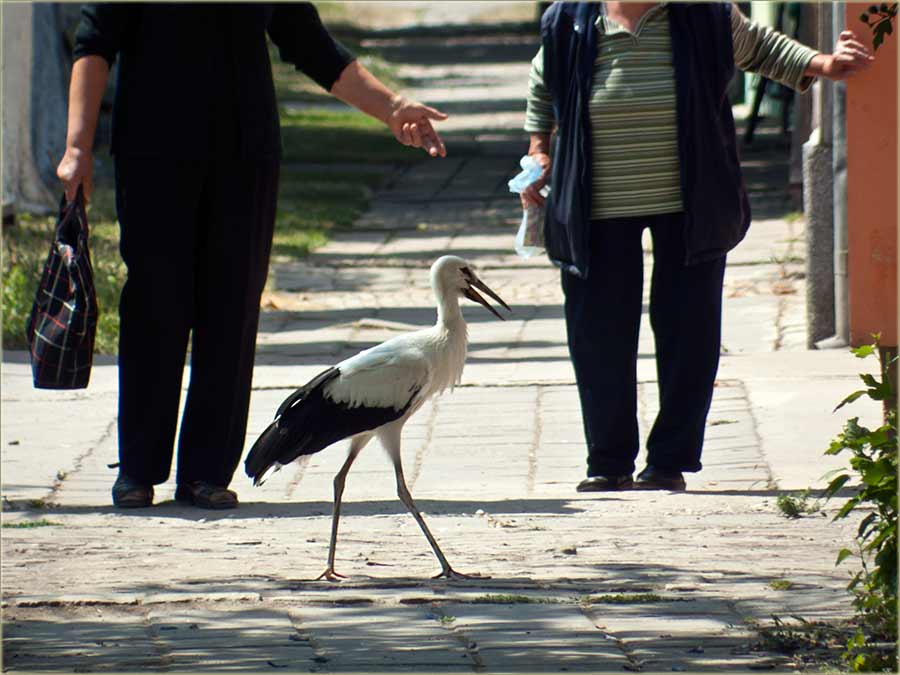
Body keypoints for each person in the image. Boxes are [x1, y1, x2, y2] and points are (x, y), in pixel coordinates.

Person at [57, 4, 448, 509]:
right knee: (156, 306)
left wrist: (393, 107)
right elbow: (94, 42)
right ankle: (138, 469)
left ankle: (206, 472)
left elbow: (310, 46)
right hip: (153, 156)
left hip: (246, 158)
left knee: (232, 310)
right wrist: (77, 147)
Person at [521, 3, 873, 492]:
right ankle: (607, 460)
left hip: (691, 198)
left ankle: (669, 460)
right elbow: (544, 87)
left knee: (690, 329)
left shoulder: (703, 13)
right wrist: (539, 151)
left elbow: (763, 48)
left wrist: (824, 65)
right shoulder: (570, 20)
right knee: (597, 332)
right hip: (595, 201)